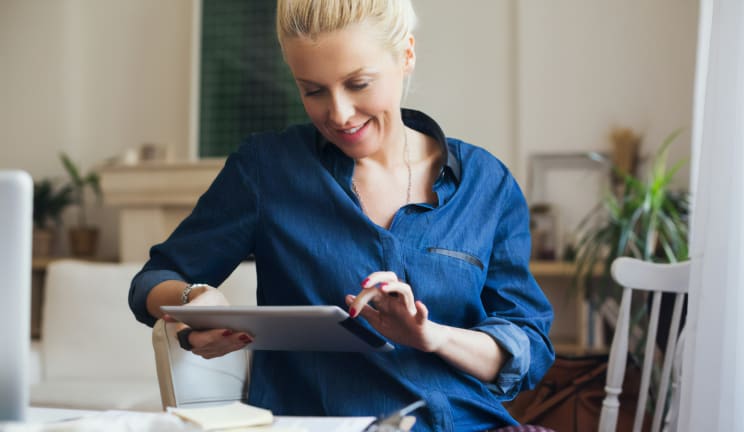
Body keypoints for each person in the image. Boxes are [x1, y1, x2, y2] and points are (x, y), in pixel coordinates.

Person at [129, 0, 555, 430]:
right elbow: (153, 280)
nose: (339, 114)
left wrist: (433, 336)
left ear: (406, 55)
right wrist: (195, 298)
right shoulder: (267, 169)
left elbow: (529, 347)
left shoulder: (486, 182)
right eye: (313, 90)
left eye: (358, 84)